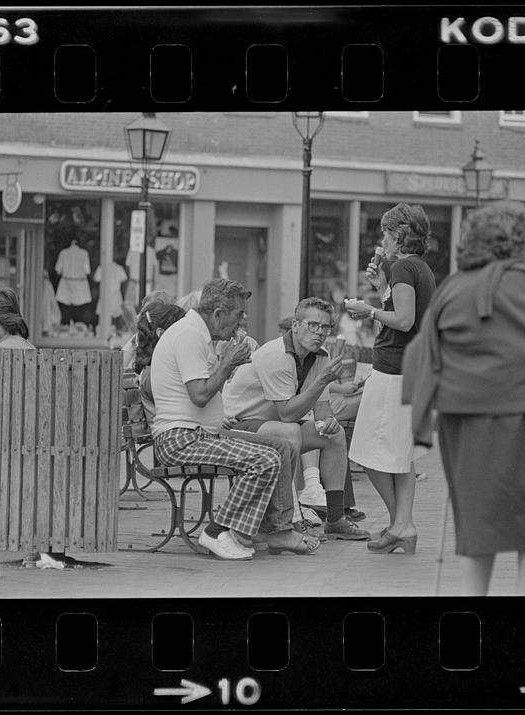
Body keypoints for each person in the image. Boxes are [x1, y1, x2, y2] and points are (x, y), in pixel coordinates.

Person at [413, 200, 525, 594]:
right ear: (517, 240)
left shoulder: (452, 286)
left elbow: (427, 354)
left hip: (463, 422)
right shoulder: (523, 281)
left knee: (476, 518)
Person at [151, 278, 319, 559]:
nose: (242, 322)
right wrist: (228, 362)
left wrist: (227, 364)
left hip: (200, 434)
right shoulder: (189, 336)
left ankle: (277, 530)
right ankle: (217, 531)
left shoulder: (198, 334)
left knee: (282, 446)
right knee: (264, 460)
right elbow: (200, 395)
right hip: (181, 438)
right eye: (238, 314)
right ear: (217, 314)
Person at [222, 297, 371, 540]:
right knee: (289, 430)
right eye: (313, 325)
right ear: (295, 325)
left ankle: (335, 518)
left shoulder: (320, 355)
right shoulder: (276, 355)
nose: (320, 333)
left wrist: (329, 422)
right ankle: (288, 518)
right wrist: (324, 379)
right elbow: (288, 413)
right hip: (239, 425)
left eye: (325, 327)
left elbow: (322, 411)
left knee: (334, 434)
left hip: (271, 426)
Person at [344, 203, 437, 554]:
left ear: (398, 235)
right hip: (410, 369)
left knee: (368, 452)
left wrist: (366, 309)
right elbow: (404, 316)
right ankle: (403, 526)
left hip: (393, 370)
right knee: (401, 454)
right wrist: (382, 288)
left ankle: (402, 523)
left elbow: (403, 321)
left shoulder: (402, 266)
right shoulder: (419, 268)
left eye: (385, 232)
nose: (382, 238)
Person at [0, 288, 36, 459]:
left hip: (1, 438)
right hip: (24, 433)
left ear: (5, 319)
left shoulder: (2, 351)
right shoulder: (27, 346)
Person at [133, 301, 186, 423]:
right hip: (170, 434)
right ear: (161, 334)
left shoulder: (155, 368)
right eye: (182, 331)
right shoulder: (153, 373)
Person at [121, 289, 177, 370]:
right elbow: (121, 364)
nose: (143, 317)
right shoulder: (137, 338)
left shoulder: (168, 339)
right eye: (143, 312)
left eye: (149, 314)